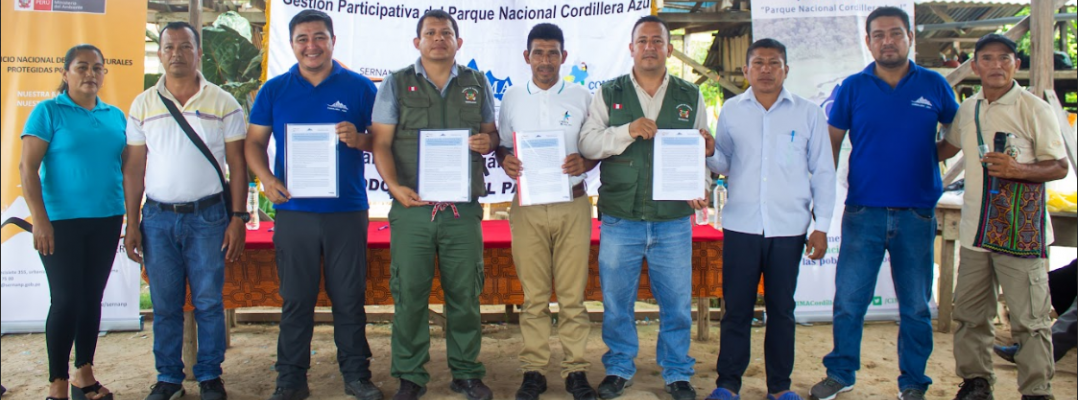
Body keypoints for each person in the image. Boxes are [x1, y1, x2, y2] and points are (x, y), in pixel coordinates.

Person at [808, 7, 959, 400]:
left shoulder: (934, 85)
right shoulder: (853, 87)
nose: (887, 41)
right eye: (878, 35)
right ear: (868, 40)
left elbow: (957, 134)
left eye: (895, 33)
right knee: (848, 302)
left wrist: (927, 157)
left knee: (915, 308)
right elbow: (832, 144)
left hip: (916, 212)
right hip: (864, 212)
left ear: (910, 36)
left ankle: (913, 383)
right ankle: (841, 374)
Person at [245, 10, 381, 400]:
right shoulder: (275, 90)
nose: (311, 46)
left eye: (319, 37)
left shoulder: (358, 87)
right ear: (292, 45)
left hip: (347, 210)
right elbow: (253, 144)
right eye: (302, 39)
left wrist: (360, 139)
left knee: (349, 298)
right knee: (297, 299)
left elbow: (383, 140)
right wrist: (267, 179)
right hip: (294, 212)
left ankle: (357, 375)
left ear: (332, 41)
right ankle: (290, 379)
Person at [578, 15, 714, 400]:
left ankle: (677, 372)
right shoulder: (609, 92)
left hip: (672, 221)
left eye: (658, 41)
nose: (650, 47)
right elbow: (588, 144)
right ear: (632, 48)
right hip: (622, 217)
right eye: (643, 41)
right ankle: (619, 367)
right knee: (617, 302)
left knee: (676, 304)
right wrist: (627, 131)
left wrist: (699, 188)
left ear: (669, 49)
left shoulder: (690, 95)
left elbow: (699, 151)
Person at [368, 9, 499, 400]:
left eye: (446, 33)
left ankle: (466, 372)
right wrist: (393, 187)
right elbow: (380, 143)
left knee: (465, 294)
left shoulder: (477, 83)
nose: (438, 38)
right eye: (430, 33)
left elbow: (491, 135)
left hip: (462, 212)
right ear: (417, 42)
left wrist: (486, 143)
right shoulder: (396, 83)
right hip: (413, 211)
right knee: (409, 294)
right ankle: (410, 375)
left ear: (458, 42)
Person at [702, 38, 836, 400]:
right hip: (741, 225)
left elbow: (823, 171)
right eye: (758, 63)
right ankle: (728, 384)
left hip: (789, 228)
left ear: (786, 70)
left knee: (782, 309)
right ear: (746, 70)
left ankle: (779, 387)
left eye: (773, 63)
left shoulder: (808, 113)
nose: (765, 69)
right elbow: (725, 164)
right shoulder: (732, 110)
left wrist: (821, 225)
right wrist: (711, 151)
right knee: (736, 309)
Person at [937, 33, 1068, 400]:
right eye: (988, 59)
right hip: (976, 230)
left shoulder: (1033, 107)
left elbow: (1058, 166)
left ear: (1016, 64)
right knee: (971, 315)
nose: (996, 65)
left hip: (1019, 232)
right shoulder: (969, 109)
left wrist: (1017, 169)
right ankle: (976, 383)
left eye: (1005, 58)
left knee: (1030, 320)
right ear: (975, 66)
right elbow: (945, 148)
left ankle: (1036, 390)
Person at [123, 21, 248, 400]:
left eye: (185, 46)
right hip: (158, 219)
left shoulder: (223, 102)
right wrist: (132, 223)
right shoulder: (142, 104)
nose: (176, 53)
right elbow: (134, 168)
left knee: (209, 301)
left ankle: (210, 375)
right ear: (160, 53)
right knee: (165, 304)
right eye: (169, 47)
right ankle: (169, 378)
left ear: (198, 51)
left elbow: (238, 165)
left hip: (209, 217)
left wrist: (238, 218)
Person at [494, 23, 598, 400]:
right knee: (534, 296)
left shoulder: (582, 96)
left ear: (564, 57)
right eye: (538, 52)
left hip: (572, 202)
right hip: (527, 206)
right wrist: (505, 160)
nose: (545, 60)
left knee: (572, 296)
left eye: (553, 52)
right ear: (526, 57)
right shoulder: (511, 98)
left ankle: (575, 370)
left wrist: (583, 163)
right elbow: (502, 146)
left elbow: (595, 148)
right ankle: (534, 371)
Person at [20, 44, 126, 400]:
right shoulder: (48, 112)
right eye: (82, 67)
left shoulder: (115, 116)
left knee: (91, 297)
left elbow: (128, 168)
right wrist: (40, 220)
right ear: (65, 74)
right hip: (60, 222)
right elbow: (28, 169)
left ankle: (84, 373)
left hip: (107, 218)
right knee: (65, 299)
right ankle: (57, 382)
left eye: (98, 68)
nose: (90, 74)